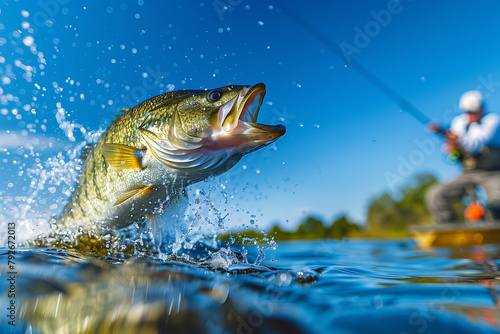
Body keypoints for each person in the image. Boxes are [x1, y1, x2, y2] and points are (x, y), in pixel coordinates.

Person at [426, 90, 500, 222]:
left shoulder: (492, 120)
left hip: (493, 173)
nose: (472, 115)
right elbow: (451, 151)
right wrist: (449, 145)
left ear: (482, 108)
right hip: (467, 174)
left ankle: (494, 225)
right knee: (436, 195)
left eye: (475, 110)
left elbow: (476, 144)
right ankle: (447, 229)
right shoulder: (459, 122)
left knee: (497, 199)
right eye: (468, 111)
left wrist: (456, 140)